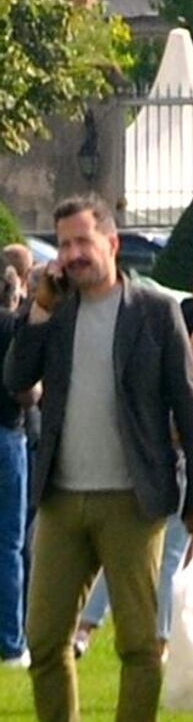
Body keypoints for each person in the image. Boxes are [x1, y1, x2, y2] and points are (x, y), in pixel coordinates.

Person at [1, 195, 193, 722]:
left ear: (111, 243)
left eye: (81, 243)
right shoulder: (58, 311)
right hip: (62, 498)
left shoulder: (154, 309)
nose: (71, 255)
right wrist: (38, 313)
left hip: (133, 499)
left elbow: (189, 399)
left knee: (138, 640)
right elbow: (15, 380)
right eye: (63, 245)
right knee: (44, 637)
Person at [0, 264, 27, 668]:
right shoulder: (11, 328)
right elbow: (28, 388)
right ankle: (9, 642)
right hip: (6, 432)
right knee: (9, 544)